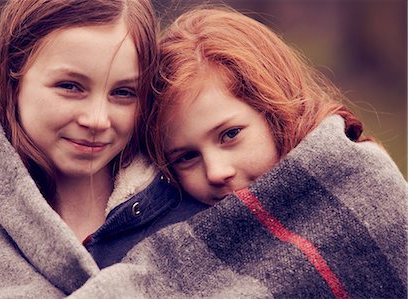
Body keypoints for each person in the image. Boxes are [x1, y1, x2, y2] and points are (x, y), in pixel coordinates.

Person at [69, 7, 407, 298]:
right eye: (186, 157)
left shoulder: (363, 185)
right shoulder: (181, 228)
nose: (216, 171)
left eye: (229, 135)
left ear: (274, 112)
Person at [0, 0, 208, 297]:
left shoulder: (198, 207)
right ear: (7, 78)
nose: (97, 120)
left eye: (124, 92)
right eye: (70, 86)